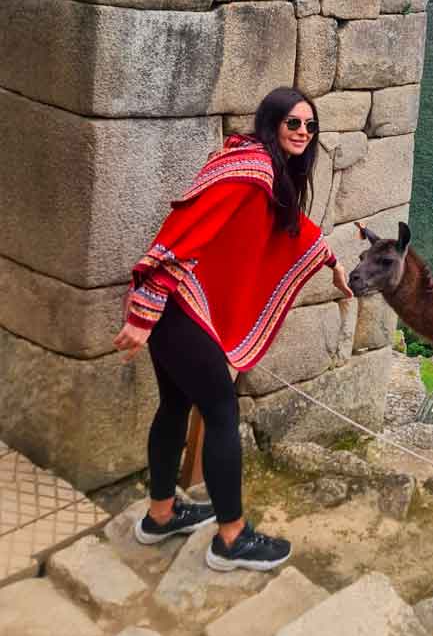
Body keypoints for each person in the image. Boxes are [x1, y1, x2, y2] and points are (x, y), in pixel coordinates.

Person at [113, 86, 353, 571]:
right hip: (177, 310)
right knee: (222, 412)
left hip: (178, 312)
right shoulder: (251, 172)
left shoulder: (257, 167)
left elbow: (289, 227)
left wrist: (330, 260)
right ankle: (231, 539)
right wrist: (145, 310)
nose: (303, 132)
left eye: (310, 125)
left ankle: (161, 516)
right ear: (272, 124)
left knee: (176, 403)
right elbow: (184, 231)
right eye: (293, 123)